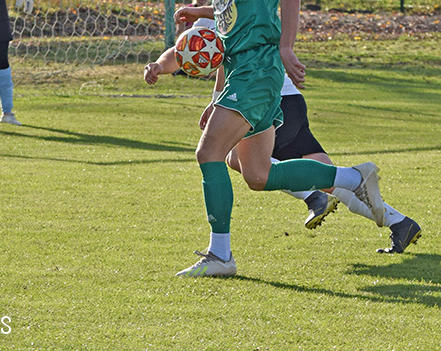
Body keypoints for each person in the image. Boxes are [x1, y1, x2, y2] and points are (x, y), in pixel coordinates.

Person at [170, 0, 385, 277]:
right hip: (239, 72)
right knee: (257, 174)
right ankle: (353, 177)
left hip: (259, 69)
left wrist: (287, 48)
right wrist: (200, 16)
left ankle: (221, 256)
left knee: (208, 153)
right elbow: (231, 21)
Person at [144, 17, 422, 252]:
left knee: (235, 159)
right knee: (329, 177)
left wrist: (217, 102)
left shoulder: (227, 15)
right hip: (289, 101)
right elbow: (180, 53)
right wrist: (159, 65)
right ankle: (399, 223)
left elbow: (200, 58)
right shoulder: (213, 23)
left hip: (268, 102)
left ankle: (312, 196)